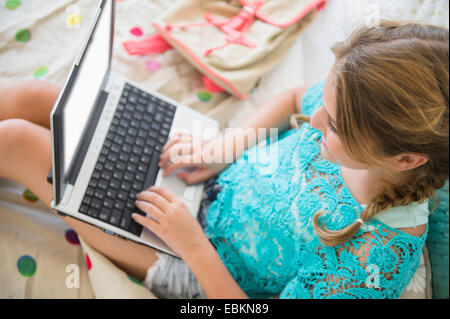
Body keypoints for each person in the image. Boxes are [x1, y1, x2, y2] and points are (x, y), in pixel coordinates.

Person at [0, 21, 448, 299]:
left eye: (332, 126)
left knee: (16, 141)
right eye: (324, 106)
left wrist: (191, 243)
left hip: (193, 262)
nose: (311, 120)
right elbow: (294, 96)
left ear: (406, 158)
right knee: (38, 97)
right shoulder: (355, 107)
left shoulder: (375, 257)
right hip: (207, 178)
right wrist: (225, 148)